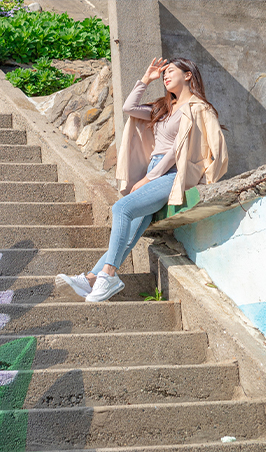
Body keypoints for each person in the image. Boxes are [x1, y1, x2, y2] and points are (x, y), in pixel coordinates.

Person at [56, 57, 228, 302]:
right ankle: (92, 278)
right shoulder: (165, 107)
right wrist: (146, 79)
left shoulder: (198, 108)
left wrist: (150, 178)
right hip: (155, 169)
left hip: (172, 174)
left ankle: (108, 274)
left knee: (122, 208)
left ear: (188, 75)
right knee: (129, 234)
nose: (166, 76)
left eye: (171, 71)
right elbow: (129, 108)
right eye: (164, 73)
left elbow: (180, 150)